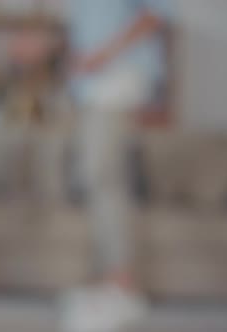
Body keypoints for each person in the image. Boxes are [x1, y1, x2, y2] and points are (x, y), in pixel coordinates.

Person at [61, 1, 174, 331]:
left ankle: (121, 285)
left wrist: (104, 54)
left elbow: (156, 14)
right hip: (92, 86)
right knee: (98, 180)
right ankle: (108, 281)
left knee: (104, 176)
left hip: (117, 78)